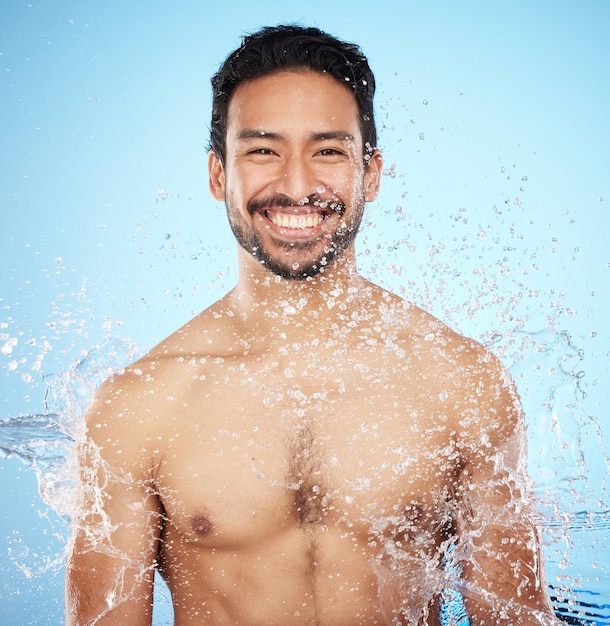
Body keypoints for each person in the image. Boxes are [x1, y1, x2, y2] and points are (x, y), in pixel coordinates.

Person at [65, 25, 560, 625]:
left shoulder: (462, 383)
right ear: (219, 174)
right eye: (263, 150)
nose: (297, 186)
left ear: (370, 174)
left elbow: (516, 619)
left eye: (327, 150)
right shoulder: (138, 406)